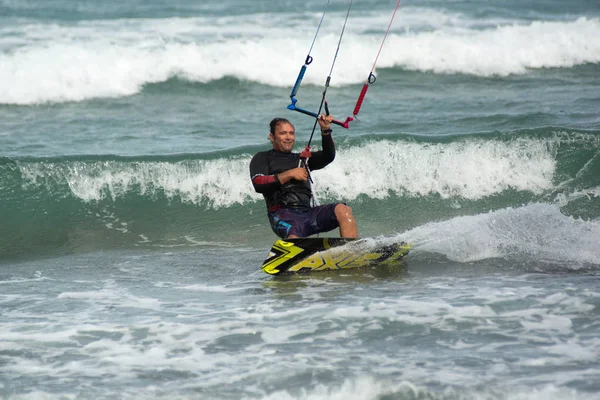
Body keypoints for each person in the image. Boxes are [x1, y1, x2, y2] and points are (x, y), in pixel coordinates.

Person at [249, 114, 358, 239]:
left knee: (343, 210)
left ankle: (351, 251)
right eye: (283, 133)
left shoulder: (302, 159)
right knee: (294, 234)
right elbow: (258, 183)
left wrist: (325, 130)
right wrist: (290, 174)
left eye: (291, 133)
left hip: (308, 213)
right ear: (272, 137)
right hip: (282, 214)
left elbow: (328, 156)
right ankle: (295, 255)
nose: (288, 137)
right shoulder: (262, 157)